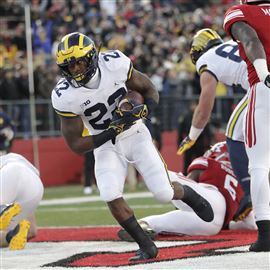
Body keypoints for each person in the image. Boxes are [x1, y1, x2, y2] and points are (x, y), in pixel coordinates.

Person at [51, 32, 214, 261]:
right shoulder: (64, 95)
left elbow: (150, 90)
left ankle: (189, 194)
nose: (76, 69)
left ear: (93, 56)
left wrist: (145, 111)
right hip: (105, 142)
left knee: (163, 192)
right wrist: (112, 130)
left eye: (80, 61)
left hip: (135, 133)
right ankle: (146, 245)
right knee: (109, 192)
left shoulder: (115, 64)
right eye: (70, 65)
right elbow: (77, 144)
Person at [176, 28, 252, 220]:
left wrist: (192, 136)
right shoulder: (232, 44)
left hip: (261, 86)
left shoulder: (207, 59)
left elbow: (204, 107)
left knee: (234, 134)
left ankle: (249, 191)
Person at [118, 142, 257, 241]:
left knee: (168, 177)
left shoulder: (210, 162)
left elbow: (191, 178)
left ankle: (137, 156)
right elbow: (250, 224)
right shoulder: (244, 181)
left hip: (211, 201)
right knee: (162, 223)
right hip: (213, 227)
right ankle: (141, 226)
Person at [223, 0, 270, 252]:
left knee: (259, 164)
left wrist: (264, 74)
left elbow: (251, 40)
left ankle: (266, 236)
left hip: (264, 90)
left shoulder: (240, 11)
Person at [0, 112, 44, 250]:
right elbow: (32, 232)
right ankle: (12, 235)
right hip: (35, 187)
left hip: (11, 174)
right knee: (20, 228)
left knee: (4, 207)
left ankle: (2, 208)